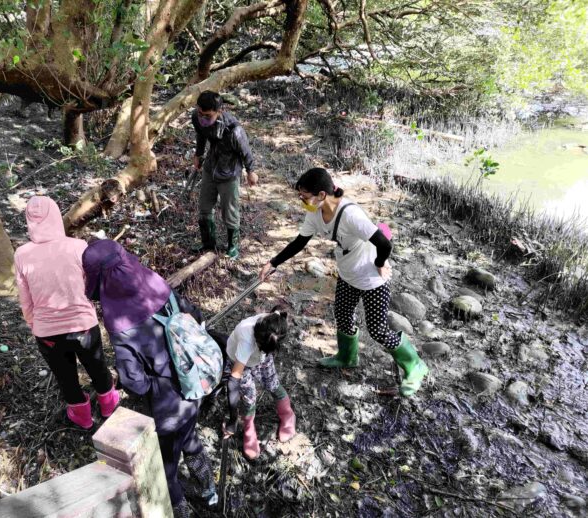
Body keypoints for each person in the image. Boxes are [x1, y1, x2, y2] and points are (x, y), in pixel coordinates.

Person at [259, 168, 429, 397]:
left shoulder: (351, 215)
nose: (302, 200)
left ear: (321, 195)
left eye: (304, 196)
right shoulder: (315, 214)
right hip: (348, 274)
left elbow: (384, 244)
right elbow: (300, 242)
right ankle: (347, 357)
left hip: (371, 279)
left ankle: (414, 365)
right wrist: (273, 263)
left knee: (378, 330)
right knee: (343, 316)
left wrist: (380, 263)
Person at [82, 239, 216, 518]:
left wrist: (155, 386)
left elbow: (133, 381)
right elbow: (195, 315)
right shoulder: (157, 286)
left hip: (168, 406)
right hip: (196, 384)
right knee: (190, 436)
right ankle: (209, 490)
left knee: (166, 468)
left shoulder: (122, 324)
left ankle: (182, 512)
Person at [14, 196, 120, 429]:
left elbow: (25, 300)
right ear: (55, 216)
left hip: (48, 333)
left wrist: (36, 325)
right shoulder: (78, 246)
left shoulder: (21, 254)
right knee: (97, 365)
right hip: (83, 325)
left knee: (65, 377)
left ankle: (82, 417)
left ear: (29, 221)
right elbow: (90, 285)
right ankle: (108, 405)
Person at [223, 306, 296, 460]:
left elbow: (278, 312)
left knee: (272, 383)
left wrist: (264, 353)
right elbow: (233, 383)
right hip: (239, 360)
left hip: (260, 355)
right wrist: (232, 420)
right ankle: (249, 430)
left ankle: (288, 414)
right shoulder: (247, 338)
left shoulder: (273, 325)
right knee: (249, 397)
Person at [191, 90, 257, 259]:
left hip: (229, 173)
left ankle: (232, 247)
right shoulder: (197, 119)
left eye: (207, 115)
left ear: (219, 111)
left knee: (230, 211)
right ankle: (208, 245)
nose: (202, 117)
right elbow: (201, 136)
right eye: (200, 113)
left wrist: (251, 171)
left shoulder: (234, 130)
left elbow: (246, 152)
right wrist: (198, 155)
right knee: (205, 208)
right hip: (210, 167)